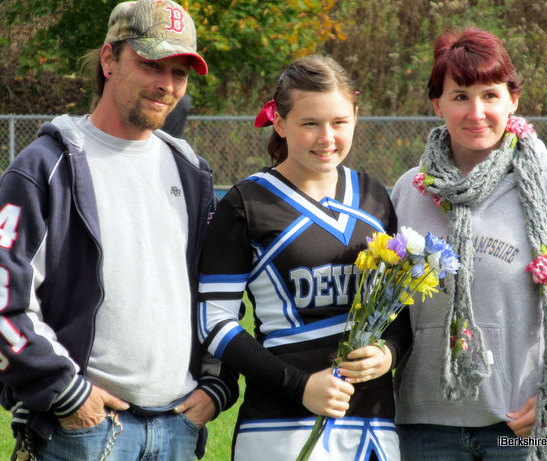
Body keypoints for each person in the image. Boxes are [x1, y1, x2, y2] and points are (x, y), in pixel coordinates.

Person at [0, 1, 238, 460]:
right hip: (81, 431)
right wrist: (65, 393)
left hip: (178, 428)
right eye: (151, 65)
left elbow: (217, 293)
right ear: (109, 60)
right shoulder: (46, 167)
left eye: (179, 73)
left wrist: (217, 384)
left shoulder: (192, 174)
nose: (167, 85)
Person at [391, 27, 547, 461]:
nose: (476, 112)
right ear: (437, 104)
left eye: (490, 95)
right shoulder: (410, 190)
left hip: (527, 420)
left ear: (513, 99)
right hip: (426, 429)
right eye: (460, 96)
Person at [197, 55, 410, 460]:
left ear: (356, 117)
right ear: (279, 122)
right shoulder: (247, 202)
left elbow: (400, 309)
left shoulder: (374, 197)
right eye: (310, 123)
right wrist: (299, 386)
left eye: (339, 122)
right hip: (278, 427)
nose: (326, 137)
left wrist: (389, 353)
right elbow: (213, 320)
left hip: (373, 425)